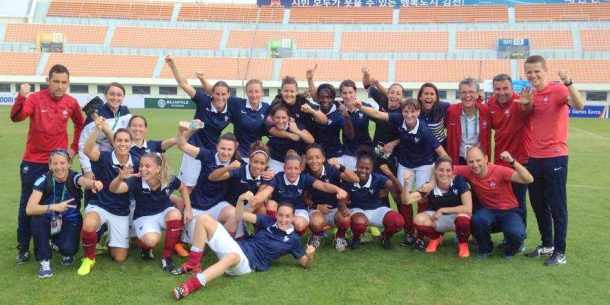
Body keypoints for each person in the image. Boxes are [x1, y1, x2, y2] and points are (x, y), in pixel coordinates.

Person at [170, 192, 316, 301]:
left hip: (247, 264)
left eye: (287, 216)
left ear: (293, 217)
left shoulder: (294, 239)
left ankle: (190, 285)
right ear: (276, 215)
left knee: (232, 257)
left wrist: (310, 255)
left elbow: (305, 263)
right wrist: (241, 199)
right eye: (280, 215)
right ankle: (193, 265)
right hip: (237, 247)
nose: (283, 220)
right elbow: (239, 214)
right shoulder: (268, 221)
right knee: (203, 219)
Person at [10, 64, 85, 264]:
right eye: (56, 81)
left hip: (58, 164)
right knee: (28, 203)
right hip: (33, 161)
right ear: (48, 81)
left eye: (64, 82)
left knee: (59, 201)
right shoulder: (35, 98)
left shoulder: (71, 102)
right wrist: (21, 96)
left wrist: (73, 149)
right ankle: (24, 247)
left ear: (68, 83)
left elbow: (80, 124)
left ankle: (55, 239)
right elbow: (17, 117)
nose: (60, 86)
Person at [355, 98, 448, 249]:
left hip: (424, 164)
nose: (409, 114)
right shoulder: (399, 119)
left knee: (421, 198)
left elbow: (441, 152)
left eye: (413, 111)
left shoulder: (424, 130)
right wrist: (361, 107)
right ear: (402, 112)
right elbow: (378, 114)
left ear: (418, 112)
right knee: (404, 198)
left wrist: (447, 170)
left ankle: (420, 236)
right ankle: (409, 233)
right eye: (406, 111)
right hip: (405, 164)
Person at [523, 55, 584, 266]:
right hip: (534, 157)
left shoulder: (558, 90)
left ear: (545, 70)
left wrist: (569, 83)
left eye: (536, 71)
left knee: (558, 206)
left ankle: (560, 252)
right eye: (529, 72)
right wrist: (526, 104)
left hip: (555, 155)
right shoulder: (531, 94)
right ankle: (547, 245)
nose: (533, 75)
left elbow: (579, 105)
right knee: (538, 204)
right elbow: (526, 114)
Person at [26, 149, 102, 278]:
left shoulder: (73, 177)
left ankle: (55, 242)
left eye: (62, 163)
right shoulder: (43, 180)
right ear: (50, 165)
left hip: (69, 220)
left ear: (69, 164)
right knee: (37, 218)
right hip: (48, 220)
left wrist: (93, 183)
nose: (59, 167)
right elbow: (29, 209)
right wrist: (52, 207)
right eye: (55, 164)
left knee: (68, 250)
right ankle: (44, 261)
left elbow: (83, 181)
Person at [109, 152, 191, 271]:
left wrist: (188, 208)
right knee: (151, 241)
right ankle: (146, 249)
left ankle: (167, 257)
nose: (142, 169)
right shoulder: (136, 180)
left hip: (164, 213)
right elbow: (114, 189)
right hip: (144, 216)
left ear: (158, 169)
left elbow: (183, 188)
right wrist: (120, 177)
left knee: (175, 214)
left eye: (147, 166)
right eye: (141, 165)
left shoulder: (169, 178)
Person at [78, 117, 139, 275]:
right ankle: (89, 259)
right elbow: (87, 151)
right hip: (100, 205)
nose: (122, 144)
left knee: (119, 257)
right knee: (89, 224)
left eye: (126, 141)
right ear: (114, 142)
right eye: (119, 140)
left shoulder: (136, 163)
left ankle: (107, 238)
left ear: (131, 143)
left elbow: (117, 189)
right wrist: (98, 129)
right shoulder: (105, 157)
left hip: (120, 210)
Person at [165, 55, 233, 188]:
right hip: (193, 148)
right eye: (217, 94)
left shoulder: (231, 110)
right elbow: (184, 84)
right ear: (212, 94)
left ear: (228, 95)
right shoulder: (203, 101)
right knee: (188, 187)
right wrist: (173, 65)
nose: (220, 97)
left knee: (206, 185)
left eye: (223, 94)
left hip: (212, 153)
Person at [453, 147, 533, 259]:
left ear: (486, 159)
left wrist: (512, 161)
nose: (475, 165)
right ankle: (486, 249)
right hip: (489, 211)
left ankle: (510, 250)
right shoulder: (468, 171)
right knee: (477, 219)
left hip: (509, 211)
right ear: (467, 162)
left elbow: (529, 179)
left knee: (516, 233)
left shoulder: (499, 171)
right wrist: (431, 184)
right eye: (471, 161)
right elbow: (443, 168)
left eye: (478, 160)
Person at [250, 150, 348, 237]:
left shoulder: (304, 178)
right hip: (282, 211)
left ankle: (289, 238)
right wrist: (253, 201)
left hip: (298, 210)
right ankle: (272, 233)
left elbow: (323, 186)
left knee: (299, 224)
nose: (293, 172)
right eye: (289, 168)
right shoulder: (277, 178)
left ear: (300, 168)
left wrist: (338, 190)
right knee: (271, 204)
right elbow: (265, 193)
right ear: (284, 168)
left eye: (296, 168)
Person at [401, 157, 472, 257]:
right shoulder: (429, 186)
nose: (444, 173)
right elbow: (406, 200)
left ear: (452, 172)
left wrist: (442, 210)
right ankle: (435, 238)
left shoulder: (459, 180)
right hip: (437, 220)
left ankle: (463, 243)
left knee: (464, 220)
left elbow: (468, 208)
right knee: (418, 220)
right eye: (441, 170)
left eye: (448, 170)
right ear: (435, 171)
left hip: (457, 217)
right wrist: (406, 184)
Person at [488, 74, 533, 226]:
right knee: (502, 201)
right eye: (497, 89)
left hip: (519, 161)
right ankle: (509, 235)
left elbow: (526, 110)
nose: (501, 92)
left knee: (518, 201)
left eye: (505, 88)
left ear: (512, 88)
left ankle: (518, 238)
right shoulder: (491, 102)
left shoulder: (519, 101)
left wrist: (527, 104)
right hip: (499, 162)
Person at [339, 148, 404, 250]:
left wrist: (390, 174)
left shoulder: (378, 178)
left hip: (377, 209)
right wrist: (343, 207)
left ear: (372, 168)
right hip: (357, 210)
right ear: (356, 165)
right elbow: (342, 197)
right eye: (361, 167)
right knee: (359, 223)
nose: (363, 171)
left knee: (397, 221)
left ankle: (384, 237)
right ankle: (356, 237)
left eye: (367, 168)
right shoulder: (349, 178)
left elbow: (398, 190)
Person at [195, 75, 271, 160]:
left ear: (262, 92)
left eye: (257, 91)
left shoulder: (267, 108)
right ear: (246, 92)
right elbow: (216, 92)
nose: (254, 95)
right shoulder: (237, 104)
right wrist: (202, 78)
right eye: (250, 91)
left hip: (255, 156)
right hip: (238, 156)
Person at [208, 141, 275, 236]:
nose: (258, 166)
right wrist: (228, 168)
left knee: (262, 210)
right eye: (255, 162)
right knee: (236, 219)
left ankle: (259, 236)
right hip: (232, 204)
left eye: (262, 163)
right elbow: (212, 177)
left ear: (266, 164)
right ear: (250, 160)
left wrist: (246, 213)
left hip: (250, 204)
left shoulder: (267, 173)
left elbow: (262, 196)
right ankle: (220, 236)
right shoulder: (240, 170)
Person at [303, 144, 359, 251]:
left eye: (317, 157)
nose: (314, 161)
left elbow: (355, 179)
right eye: (310, 158)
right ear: (305, 159)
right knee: (315, 222)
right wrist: (317, 206)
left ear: (324, 158)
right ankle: (318, 235)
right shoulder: (305, 174)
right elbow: (304, 199)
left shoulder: (332, 170)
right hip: (317, 209)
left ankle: (340, 237)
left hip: (336, 208)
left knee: (345, 216)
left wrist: (340, 166)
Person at [78, 82, 132, 183]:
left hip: (117, 161)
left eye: (119, 95)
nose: (115, 98)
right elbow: (82, 144)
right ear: (105, 95)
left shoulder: (126, 113)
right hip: (95, 162)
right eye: (111, 94)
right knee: (96, 192)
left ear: (123, 97)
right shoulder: (95, 113)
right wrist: (87, 170)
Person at [445, 78, 492, 165]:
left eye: (471, 92)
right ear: (460, 94)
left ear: (477, 94)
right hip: (458, 158)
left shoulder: (486, 110)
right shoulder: (451, 111)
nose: (467, 95)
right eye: (464, 92)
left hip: (478, 160)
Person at [309, 83, 355, 159]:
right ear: (318, 97)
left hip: (335, 155)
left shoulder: (339, 113)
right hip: (317, 155)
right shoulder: (314, 111)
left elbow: (350, 136)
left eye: (328, 97)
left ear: (333, 98)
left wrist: (346, 116)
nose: (325, 100)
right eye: (322, 97)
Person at [266, 106, 315, 174]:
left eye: (284, 118)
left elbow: (311, 140)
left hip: (294, 165)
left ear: (289, 118)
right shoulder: (270, 128)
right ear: (272, 118)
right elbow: (264, 143)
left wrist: (296, 131)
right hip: (274, 163)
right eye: (277, 117)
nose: (280, 121)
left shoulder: (296, 125)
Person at [339, 80, 373, 171]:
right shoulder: (338, 108)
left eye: (351, 92)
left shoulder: (365, 106)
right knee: (351, 181)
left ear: (355, 92)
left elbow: (380, 119)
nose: (348, 96)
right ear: (341, 94)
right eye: (344, 93)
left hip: (366, 152)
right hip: (349, 153)